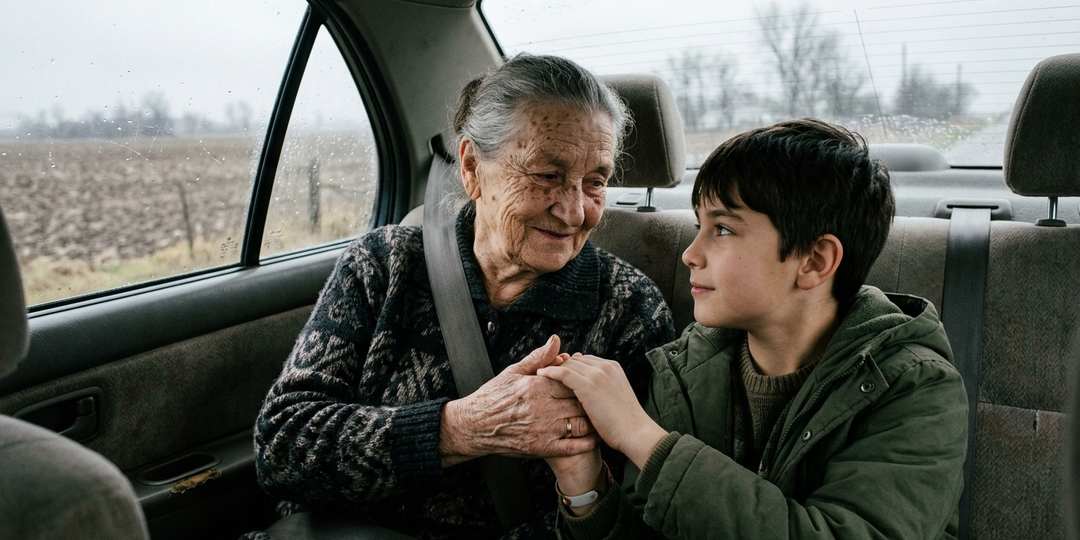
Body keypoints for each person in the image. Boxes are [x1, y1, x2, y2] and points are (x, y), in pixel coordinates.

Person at [246, 53, 675, 540]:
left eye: (595, 182)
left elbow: (633, 519)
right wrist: (462, 427)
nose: (574, 211)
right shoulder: (383, 264)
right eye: (547, 175)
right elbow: (281, 448)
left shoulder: (630, 312)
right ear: (472, 167)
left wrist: (581, 486)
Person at [537, 118, 969, 539]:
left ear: (815, 261)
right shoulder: (684, 372)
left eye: (722, 229)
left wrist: (643, 439)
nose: (690, 254)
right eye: (698, 227)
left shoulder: (913, 388)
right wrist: (584, 480)